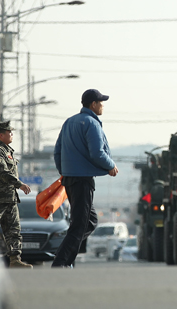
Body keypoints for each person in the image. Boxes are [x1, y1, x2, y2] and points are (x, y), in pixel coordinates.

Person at [52, 89, 119, 268]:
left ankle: (67, 259)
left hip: (70, 179)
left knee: (90, 221)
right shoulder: (92, 123)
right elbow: (97, 153)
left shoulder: (69, 122)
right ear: (93, 104)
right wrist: (110, 166)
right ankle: (60, 263)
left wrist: (64, 170)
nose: (103, 106)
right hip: (82, 180)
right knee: (79, 225)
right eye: (101, 102)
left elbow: (57, 152)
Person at [0, 120, 33, 268]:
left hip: (9, 198)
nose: (12, 134)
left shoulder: (7, 151)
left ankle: (15, 260)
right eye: (9, 132)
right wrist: (20, 184)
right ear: (1, 135)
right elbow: (3, 172)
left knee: (13, 230)